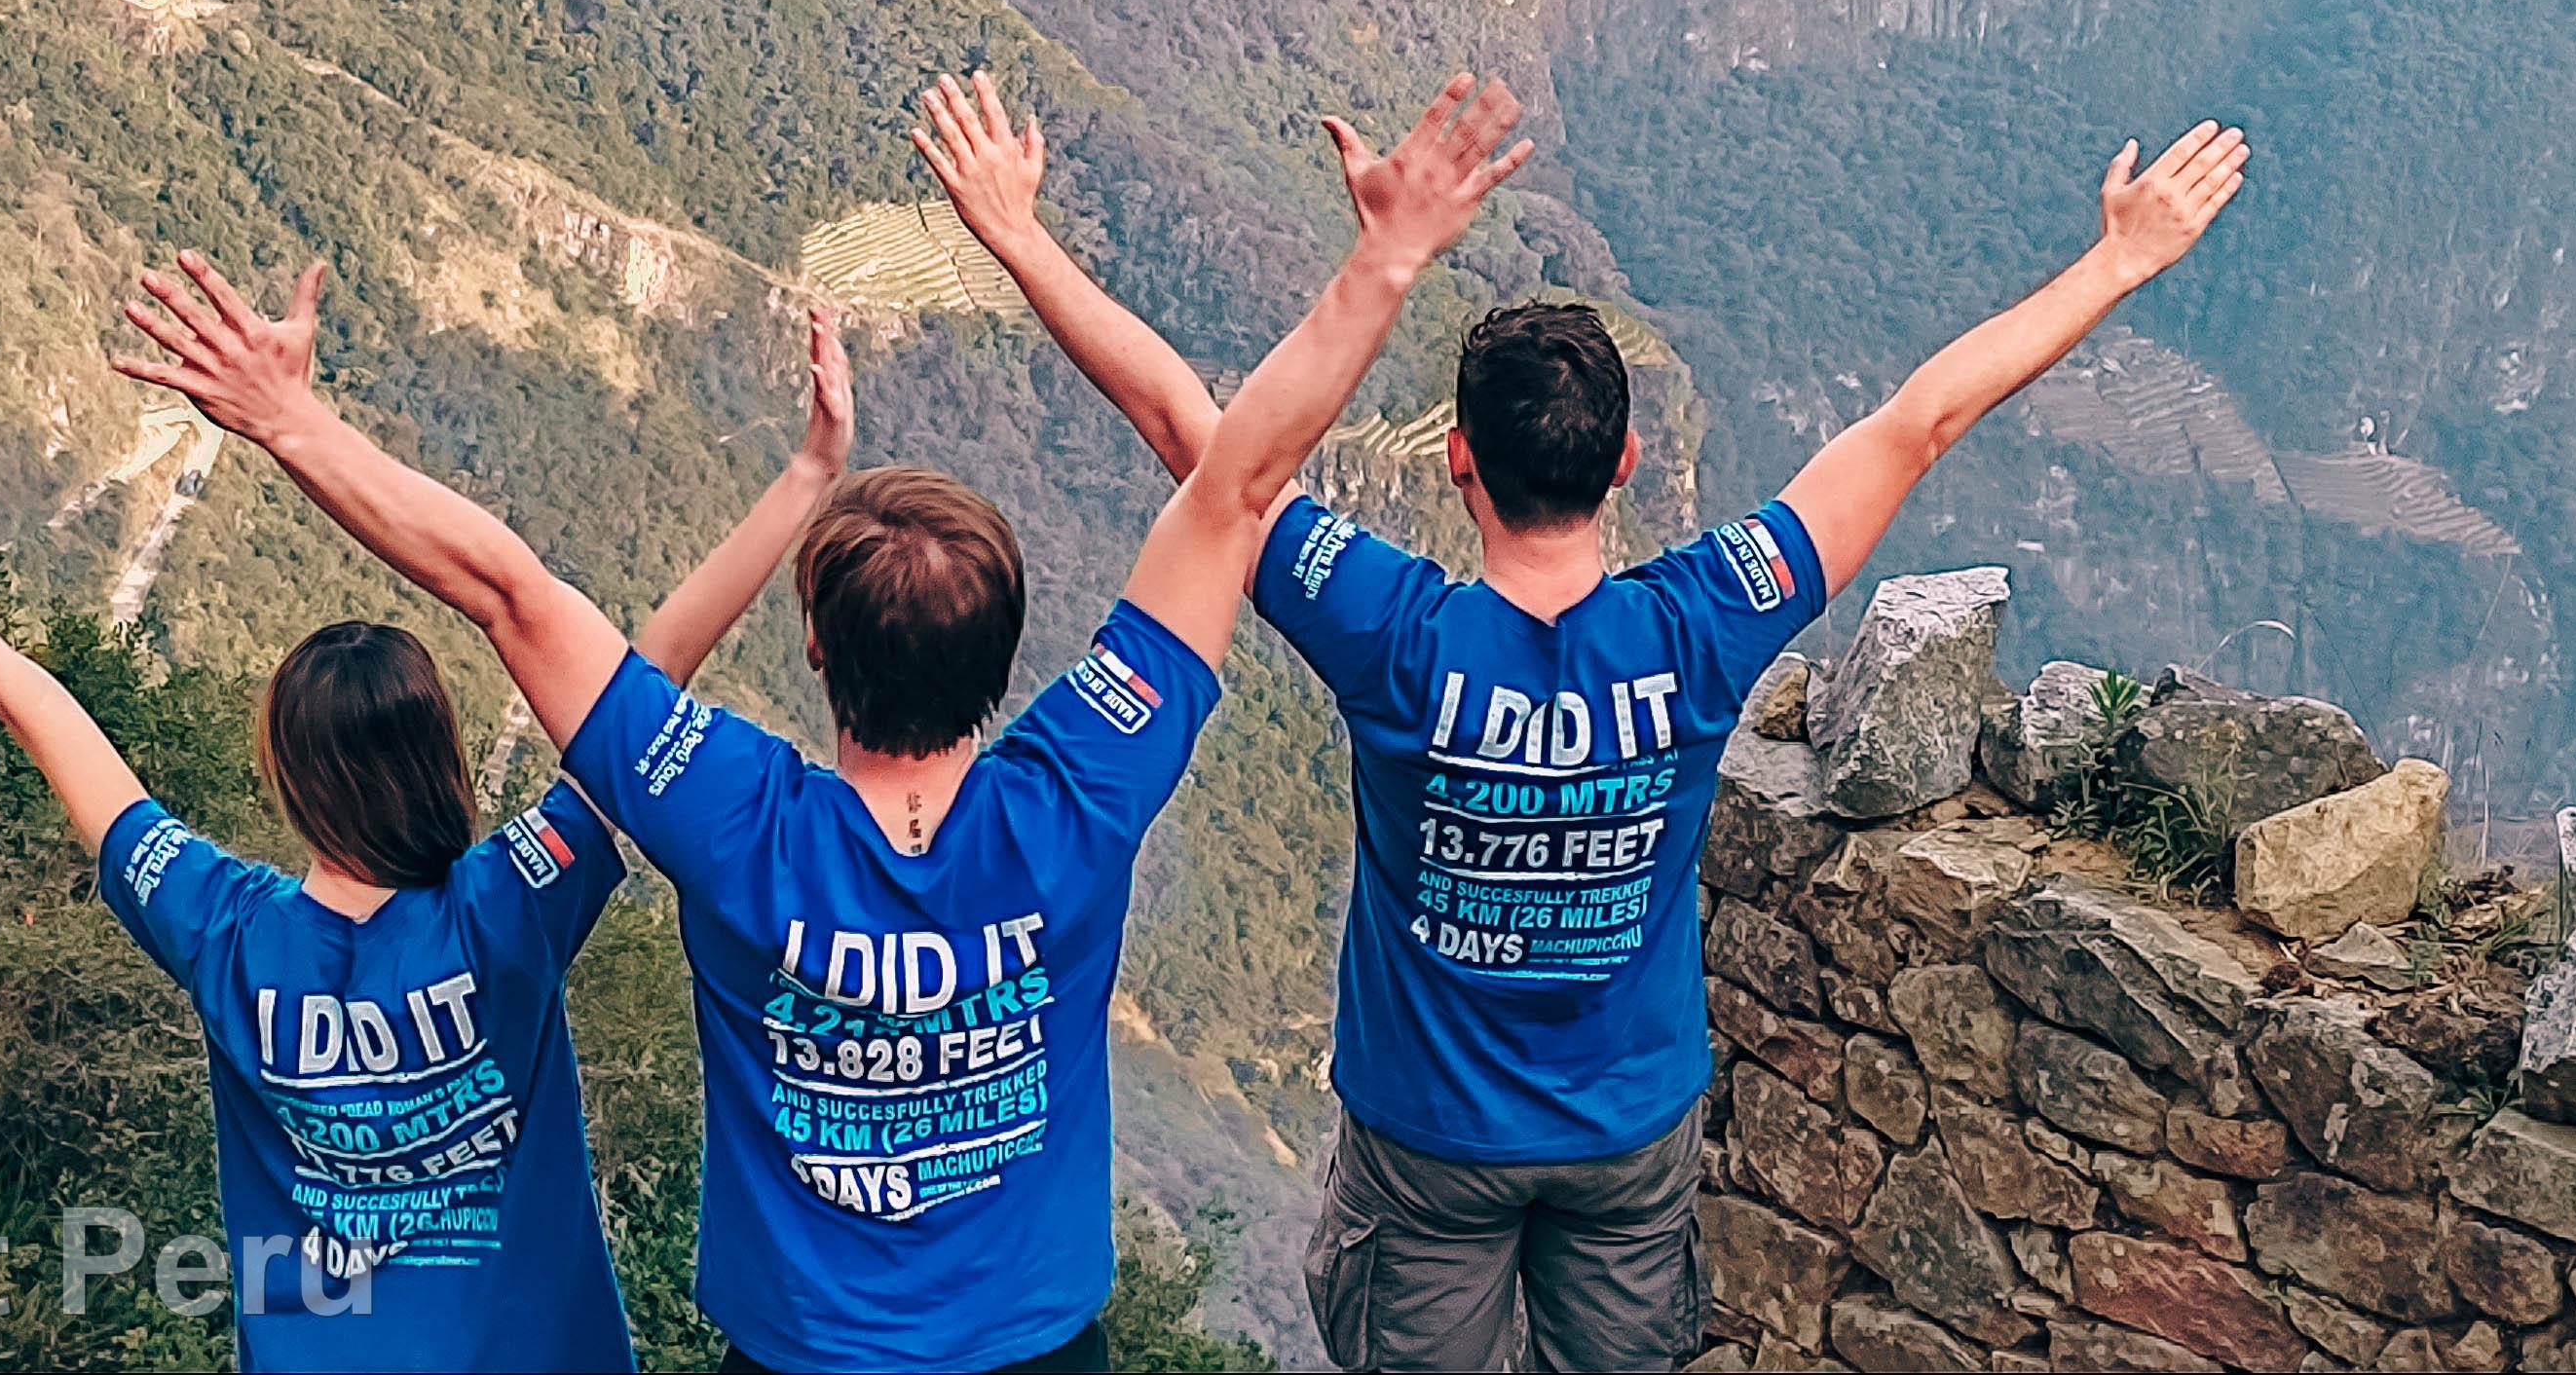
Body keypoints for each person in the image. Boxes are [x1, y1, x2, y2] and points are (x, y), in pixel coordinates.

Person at [117, 80, 1535, 1375]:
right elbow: (1235, 479)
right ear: (1003, 655)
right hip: (1033, 1348)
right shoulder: (1081, 786)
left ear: (813, 645)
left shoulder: (731, 811)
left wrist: (290, 419)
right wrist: (1382, 259)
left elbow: (503, 586)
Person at [915, 71, 2252, 1372]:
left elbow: (1200, 441)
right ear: (1625, 460)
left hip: (1428, 1141)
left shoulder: (1392, 633)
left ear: (1457, 457)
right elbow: (1921, 421)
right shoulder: (1704, 621)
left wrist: (1022, 235)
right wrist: (2118, 260)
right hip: (1627, 1131)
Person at [0, 303, 860, 1372]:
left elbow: (29, 699)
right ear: (445, 760)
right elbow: (640, 684)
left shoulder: (220, 927)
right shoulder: (517, 899)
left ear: (285, 774)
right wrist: (805, 477)